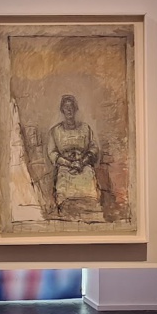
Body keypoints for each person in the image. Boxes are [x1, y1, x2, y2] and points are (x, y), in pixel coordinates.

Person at [46, 94, 104, 222]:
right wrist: (68, 163)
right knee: (65, 198)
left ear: (76, 109)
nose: (69, 110)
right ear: (62, 110)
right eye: (66, 107)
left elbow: (94, 148)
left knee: (90, 197)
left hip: (83, 167)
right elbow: (52, 153)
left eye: (71, 107)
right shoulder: (55, 131)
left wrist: (82, 162)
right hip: (65, 168)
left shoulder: (85, 129)